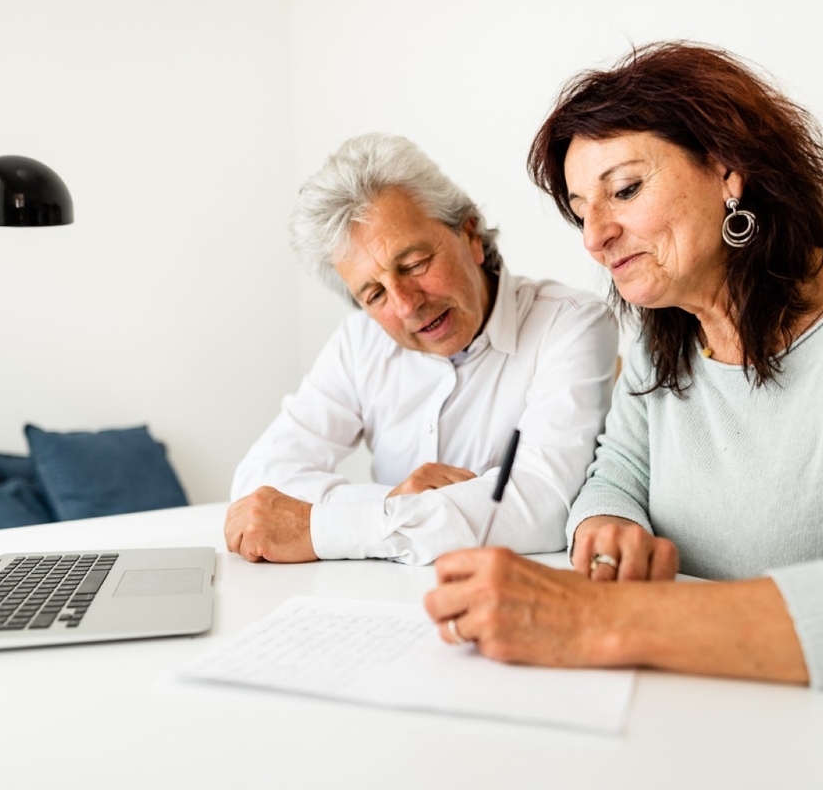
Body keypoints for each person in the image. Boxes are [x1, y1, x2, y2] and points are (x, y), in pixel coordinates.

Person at [423, 42, 823, 690]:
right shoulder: (666, 343)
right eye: (579, 212)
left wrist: (603, 619)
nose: (594, 236)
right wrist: (609, 527)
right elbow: (615, 476)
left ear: (729, 172)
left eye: (623, 190)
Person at [226, 133, 619, 566]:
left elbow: (542, 504)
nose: (407, 304)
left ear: (470, 234)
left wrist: (328, 526)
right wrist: (392, 502)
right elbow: (257, 485)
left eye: (414, 265)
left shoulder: (571, 322)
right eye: (374, 295)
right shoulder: (360, 342)